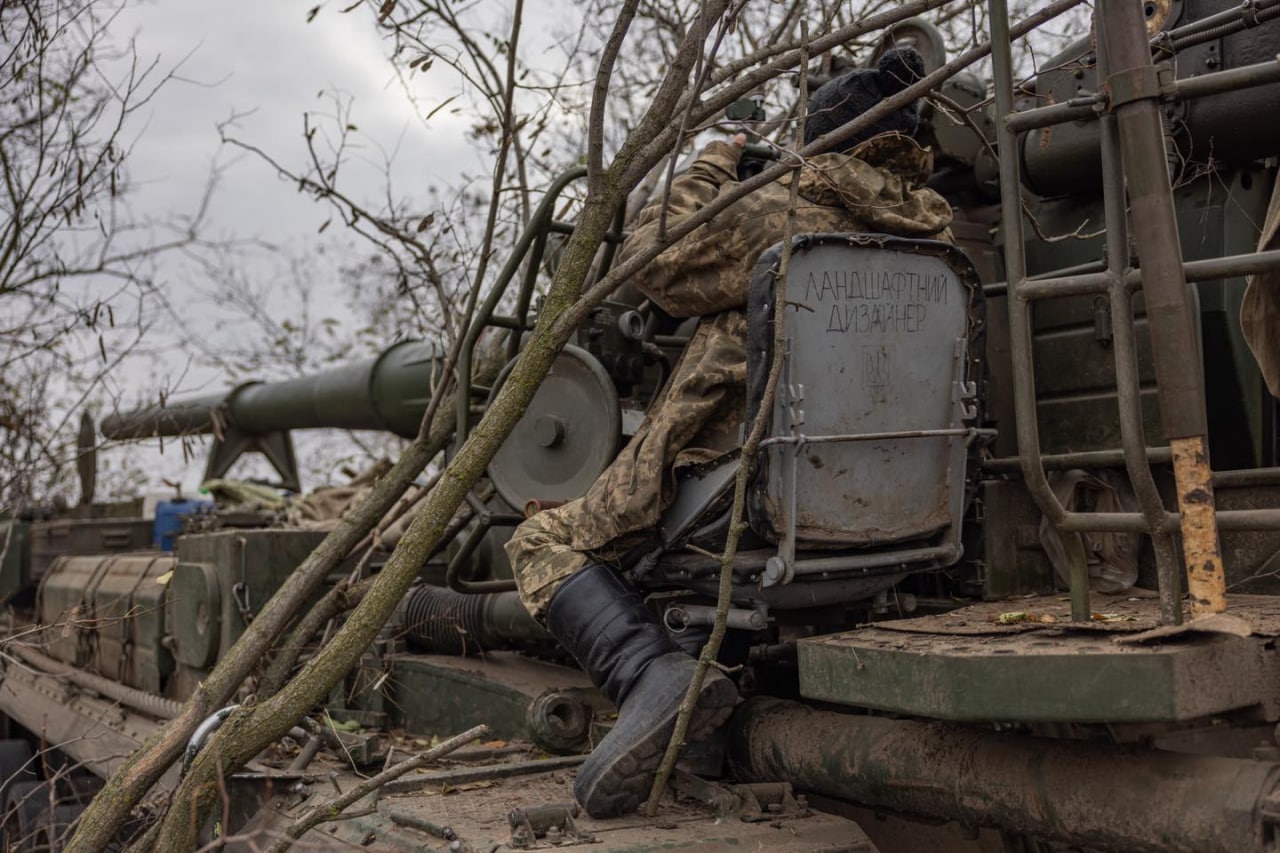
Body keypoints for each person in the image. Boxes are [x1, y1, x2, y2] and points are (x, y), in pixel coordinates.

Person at [504, 47, 954, 818]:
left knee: (545, 541)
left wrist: (714, 164)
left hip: (750, 492)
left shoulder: (782, 213)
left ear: (819, 141)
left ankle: (653, 676)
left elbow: (649, 261)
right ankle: (695, 734)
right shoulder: (936, 235)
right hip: (895, 503)